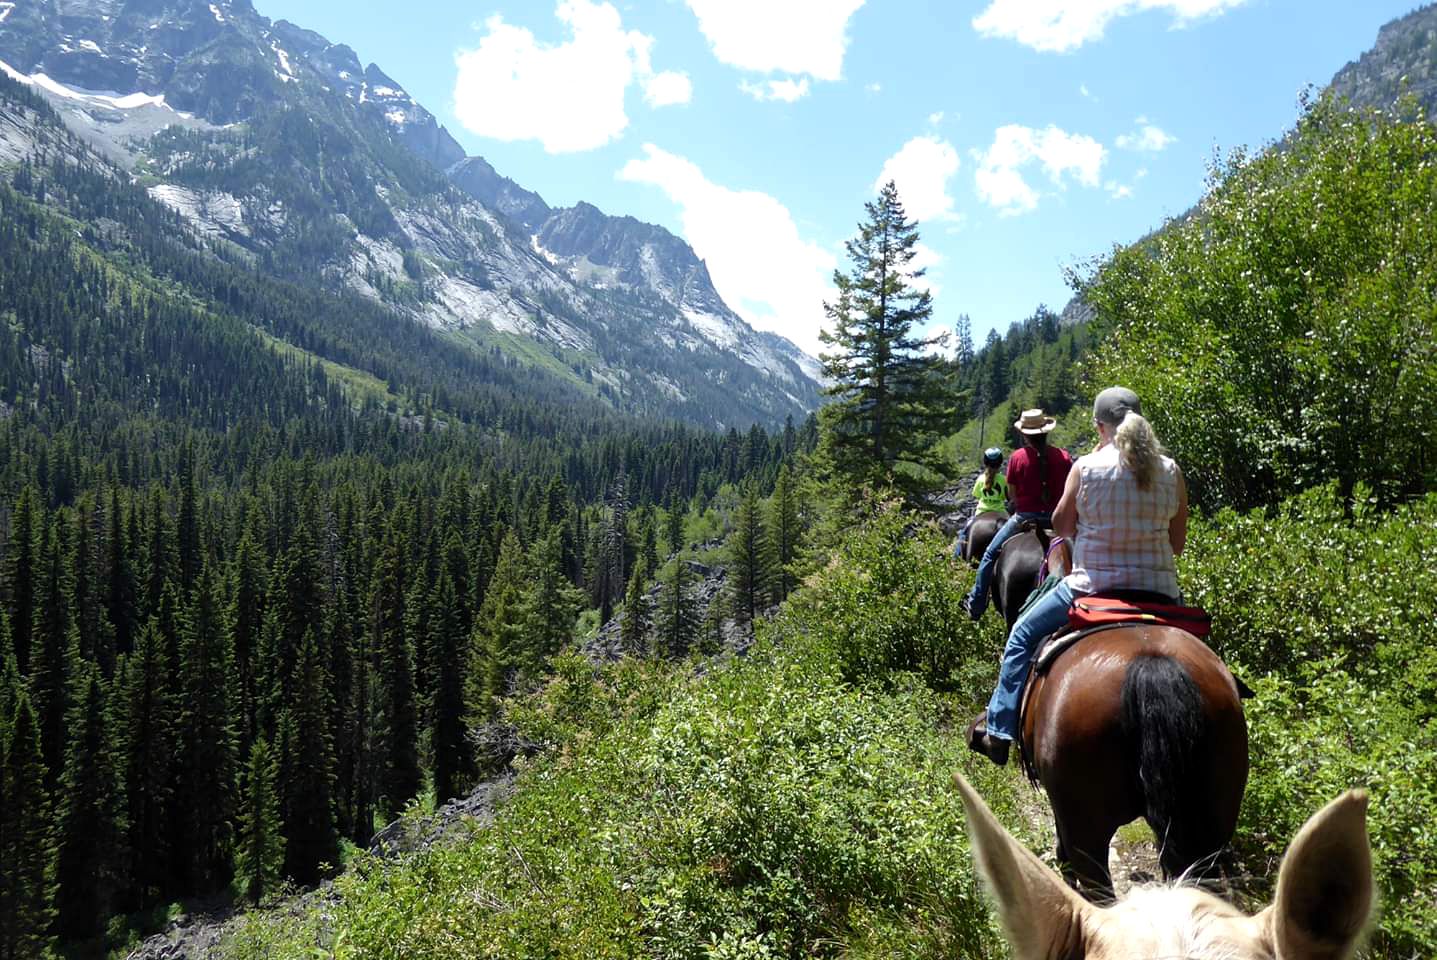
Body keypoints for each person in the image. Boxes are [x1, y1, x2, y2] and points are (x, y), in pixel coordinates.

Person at [969, 387, 1189, 765]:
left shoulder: (1086, 467)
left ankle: (1001, 731)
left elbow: (1062, 525)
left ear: (1099, 427)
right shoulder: (1170, 471)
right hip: (1161, 592)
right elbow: (1177, 543)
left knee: (1021, 634)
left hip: (1091, 587)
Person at [963, 409, 1073, 620]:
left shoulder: (1017, 458)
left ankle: (976, 604)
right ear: (1046, 432)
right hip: (1057, 520)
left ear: (1024, 435)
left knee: (989, 555)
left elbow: (1012, 495)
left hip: (1024, 518)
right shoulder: (1063, 457)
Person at [954, 447, 1008, 559]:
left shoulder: (980, 479)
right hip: (1001, 512)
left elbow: (977, 495)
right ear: (1000, 463)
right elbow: (1007, 497)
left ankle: (956, 557)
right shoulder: (1004, 479)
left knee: (964, 533)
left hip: (981, 512)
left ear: (985, 462)